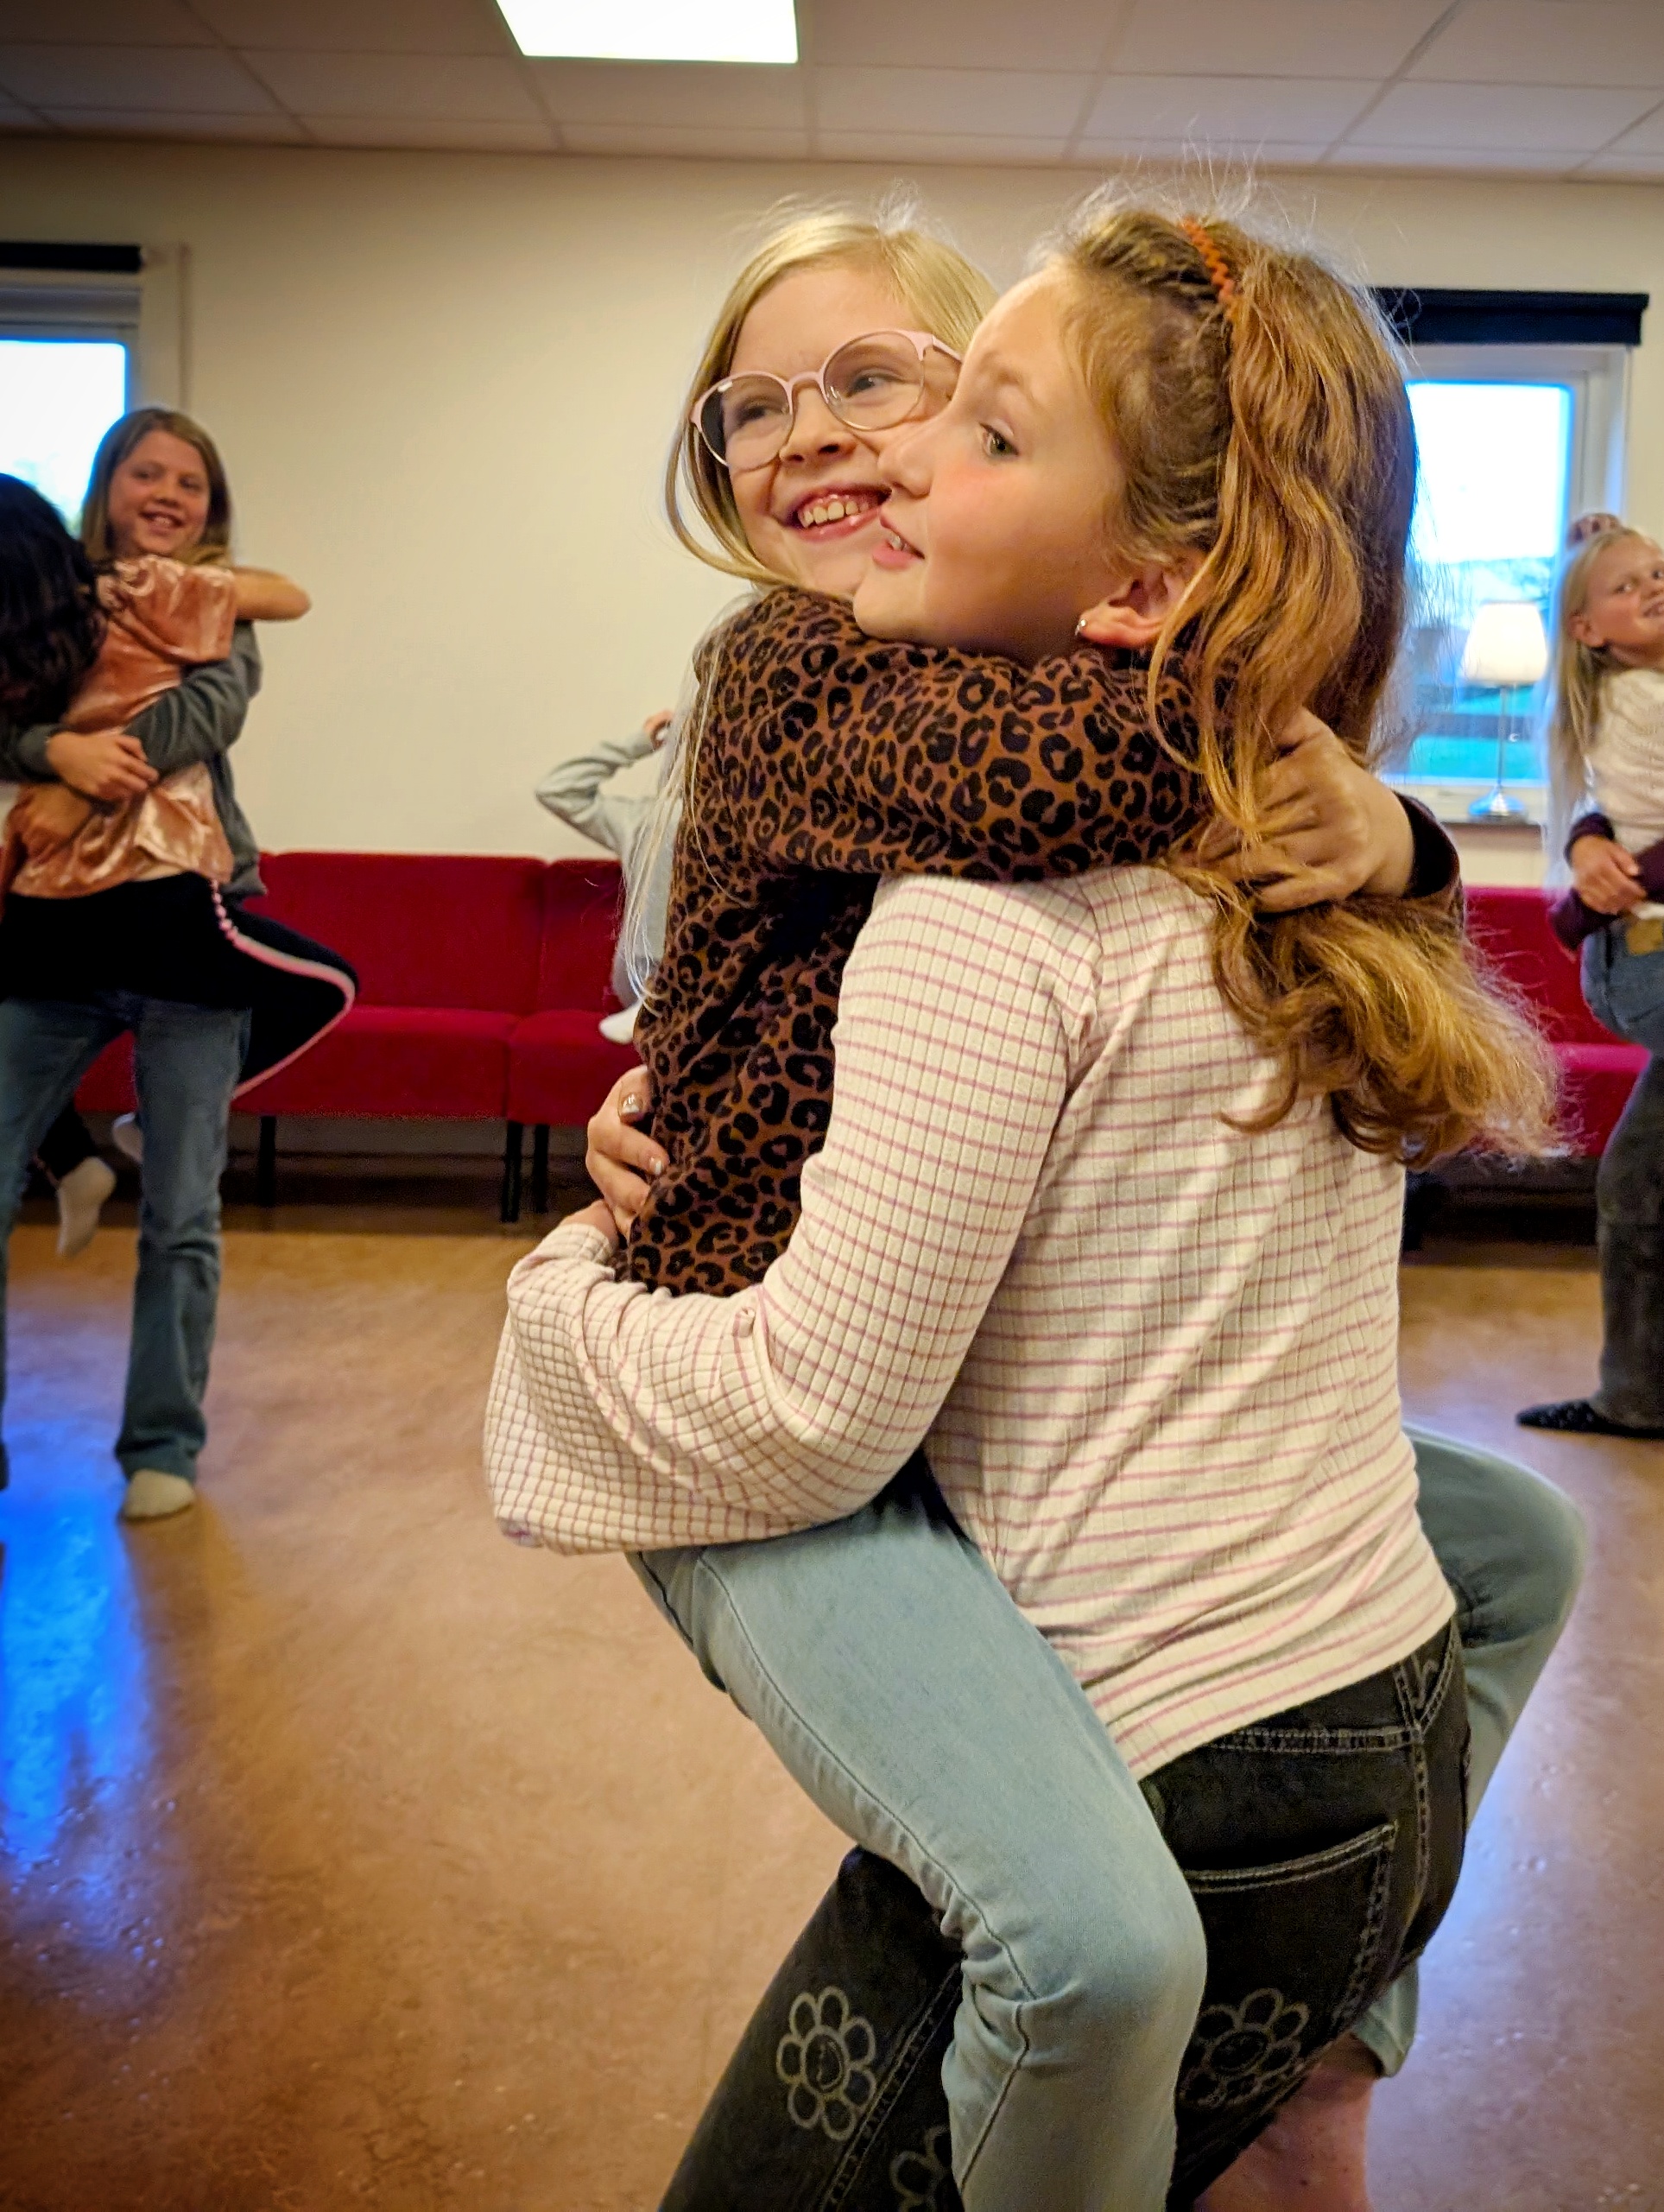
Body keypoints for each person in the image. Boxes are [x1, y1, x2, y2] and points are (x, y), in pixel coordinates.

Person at [489, 200, 1576, 2212]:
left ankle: (1324, 2038)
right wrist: (1343, 779)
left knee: (1508, 1530)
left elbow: (1168, 723)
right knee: (1085, 1932)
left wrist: (1381, 813)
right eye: (752, 408)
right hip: (752, 1361)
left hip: (913, 1302)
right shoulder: (802, 681)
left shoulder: (1003, 668)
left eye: (894, 390)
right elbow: (1115, 761)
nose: (825, 439)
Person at [0, 415, 353, 1520]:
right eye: (146, 472)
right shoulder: (47, 593)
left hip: (185, 924)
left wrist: (90, 780)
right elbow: (6, 707)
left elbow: (213, 707)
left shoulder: (212, 600)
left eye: (190, 480)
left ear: (212, 505)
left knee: (183, 1211)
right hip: (57, 931)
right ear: (106, 485)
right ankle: (79, 1159)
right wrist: (49, 751)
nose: (167, 491)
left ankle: (162, 1444)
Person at [1521, 519, 1664, 1438]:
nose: (1653, 584)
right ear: (1586, 631)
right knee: (1635, 1183)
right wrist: (1587, 843)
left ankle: (1635, 1396)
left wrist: (1626, 875)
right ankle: (1636, 1395)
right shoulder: (1622, 707)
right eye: (1627, 583)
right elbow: (1611, 797)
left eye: (1657, 571)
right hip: (1636, 956)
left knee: (1635, 1183)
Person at [535, 705, 675, 1041]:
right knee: (669, 819)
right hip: (641, 971)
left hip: (715, 970)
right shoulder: (638, 818)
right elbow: (555, 790)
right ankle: (657, 998)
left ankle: (665, 1008)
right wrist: (637, 743)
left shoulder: (743, 820)